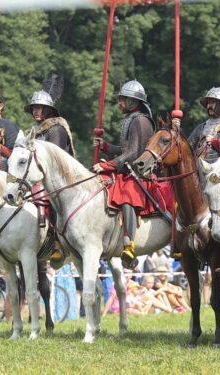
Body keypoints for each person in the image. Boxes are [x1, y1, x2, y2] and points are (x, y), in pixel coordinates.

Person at [92, 80, 157, 269]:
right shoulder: (131, 119)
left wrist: (110, 165)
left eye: (122, 99)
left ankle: (129, 243)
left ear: (132, 101)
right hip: (128, 169)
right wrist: (106, 148)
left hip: (140, 173)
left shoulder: (141, 120)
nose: (119, 103)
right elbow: (124, 150)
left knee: (127, 193)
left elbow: (135, 153)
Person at [24, 74, 73, 269]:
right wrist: (1, 149)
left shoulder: (57, 129)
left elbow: (55, 158)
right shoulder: (36, 131)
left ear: (48, 110)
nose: (36, 111)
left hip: (58, 179)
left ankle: (57, 241)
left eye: (39, 108)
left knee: (49, 196)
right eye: (34, 108)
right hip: (37, 177)